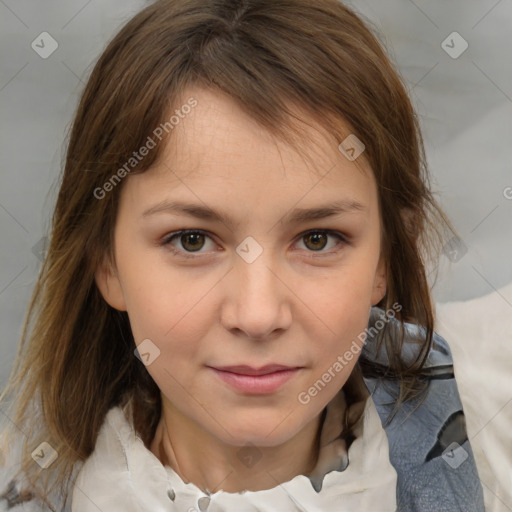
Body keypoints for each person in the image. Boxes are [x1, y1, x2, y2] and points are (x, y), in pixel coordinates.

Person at [0, 0, 485, 510]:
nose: (257, 316)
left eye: (317, 239)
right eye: (192, 240)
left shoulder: (495, 433)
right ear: (106, 262)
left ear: (386, 257)